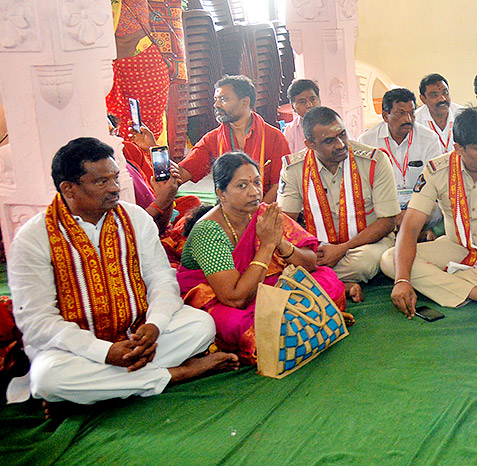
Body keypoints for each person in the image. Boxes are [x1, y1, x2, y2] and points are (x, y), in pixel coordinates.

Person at [7, 137, 236, 405]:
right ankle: (174, 374)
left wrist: (155, 325)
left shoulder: (135, 218)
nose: (115, 188)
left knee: (201, 325)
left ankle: (101, 386)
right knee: (49, 378)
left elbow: (162, 280)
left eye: (115, 178)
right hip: (77, 350)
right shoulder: (32, 237)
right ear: (68, 189)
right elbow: (37, 321)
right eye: (101, 182)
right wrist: (103, 352)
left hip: (138, 334)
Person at [177, 153, 350, 363]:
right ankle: (312, 320)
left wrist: (281, 243)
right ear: (221, 194)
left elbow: (311, 263)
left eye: (257, 182)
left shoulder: (264, 213)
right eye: (242, 186)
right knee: (235, 323)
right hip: (218, 298)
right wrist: (267, 245)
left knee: (328, 280)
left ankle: (296, 324)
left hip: (261, 285)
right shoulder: (209, 230)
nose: (254, 192)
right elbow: (236, 298)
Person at [385, 107, 477, 315]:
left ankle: (441, 283)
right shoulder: (437, 170)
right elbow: (410, 227)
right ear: (459, 148)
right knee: (390, 259)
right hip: (456, 246)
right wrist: (401, 280)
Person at [278, 107, 400, 292]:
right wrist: (303, 253)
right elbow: (287, 221)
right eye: (329, 141)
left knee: (366, 263)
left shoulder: (375, 161)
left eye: (342, 135)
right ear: (310, 144)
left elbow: (388, 222)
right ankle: (336, 283)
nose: (341, 145)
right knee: (283, 258)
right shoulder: (293, 168)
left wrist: (343, 248)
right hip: (318, 250)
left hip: (366, 245)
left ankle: (313, 281)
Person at [178, 75, 291, 203]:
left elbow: (280, 185)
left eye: (223, 99)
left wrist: (256, 216)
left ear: (245, 102)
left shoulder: (275, 138)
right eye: (216, 99)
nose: (216, 105)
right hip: (228, 212)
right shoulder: (212, 138)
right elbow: (184, 172)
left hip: (265, 212)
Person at [103, 0, 170, 141]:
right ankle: (133, 170)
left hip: (145, 71)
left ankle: (152, 168)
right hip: (118, 75)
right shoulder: (100, 2)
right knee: (122, 133)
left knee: (147, 132)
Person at [357, 87, 443, 226]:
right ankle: (413, 233)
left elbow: (434, 181)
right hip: (383, 204)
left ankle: (403, 231)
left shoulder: (429, 138)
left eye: (411, 113)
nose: (408, 119)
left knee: (436, 209)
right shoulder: (366, 141)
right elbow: (364, 185)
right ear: (385, 116)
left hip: (418, 203)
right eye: (400, 113)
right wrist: (391, 210)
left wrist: (410, 209)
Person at [415, 73, 464, 154]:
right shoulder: (415, 121)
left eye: (445, 93)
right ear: (423, 99)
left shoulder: (463, 115)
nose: (442, 99)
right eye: (434, 95)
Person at [282, 79, 321, 152]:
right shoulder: (290, 132)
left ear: (319, 100)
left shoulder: (333, 122)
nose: (309, 105)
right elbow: (289, 161)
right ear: (293, 107)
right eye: (302, 102)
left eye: (313, 99)